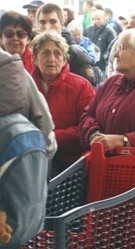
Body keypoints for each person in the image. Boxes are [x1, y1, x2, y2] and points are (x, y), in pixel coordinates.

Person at [30, 31, 95, 177]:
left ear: (65, 59)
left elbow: (88, 128)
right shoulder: (25, 85)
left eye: (57, 54)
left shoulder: (81, 86)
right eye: (45, 53)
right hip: (32, 162)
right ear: (34, 58)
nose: (51, 59)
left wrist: (52, 138)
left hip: (70, 165)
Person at [37, 3, 97, 86]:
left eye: (53, 22)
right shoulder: (35, 51)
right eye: (43, 22)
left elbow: (88, 90)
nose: (47, 27)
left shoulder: (76, 53)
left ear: (62, 24)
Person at [83, 10, 117, 77]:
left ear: (104, 18)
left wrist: (104, 58)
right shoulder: (88, 30)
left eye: (98, 19)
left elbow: (112, 48)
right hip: (90, 63)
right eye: (94, 19)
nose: (96, 21)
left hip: (102, 65)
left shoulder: (110, 32)